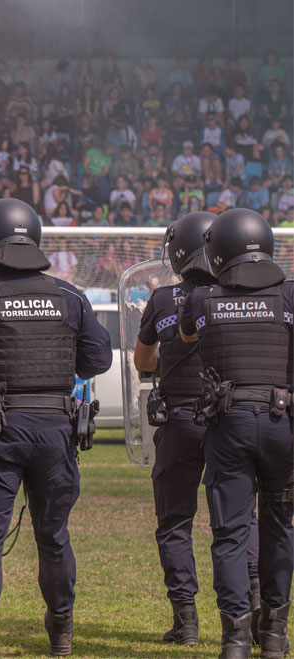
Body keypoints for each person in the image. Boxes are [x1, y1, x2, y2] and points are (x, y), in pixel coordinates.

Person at [0, 198, 113, 658]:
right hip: (56, 429)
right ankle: (61, 634)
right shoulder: (70, 297)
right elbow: (97, 359)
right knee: (52, 536)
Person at [134, 212, 262, 647]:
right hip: (229, 419)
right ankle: (256, 607)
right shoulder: (237, 294)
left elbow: (142, 363)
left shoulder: (164, 299)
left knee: (174, 522)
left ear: (177, 252)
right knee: (241, 519)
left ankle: (186, 621)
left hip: (180, 420)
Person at [179, 208, 294, 659]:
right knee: (281, 528)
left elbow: (188, 338)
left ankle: (235, 640)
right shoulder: (289, 296)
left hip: (228, 426)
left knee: (229, 536)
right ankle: (277, 636)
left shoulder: (202, 299)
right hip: (282, 423)